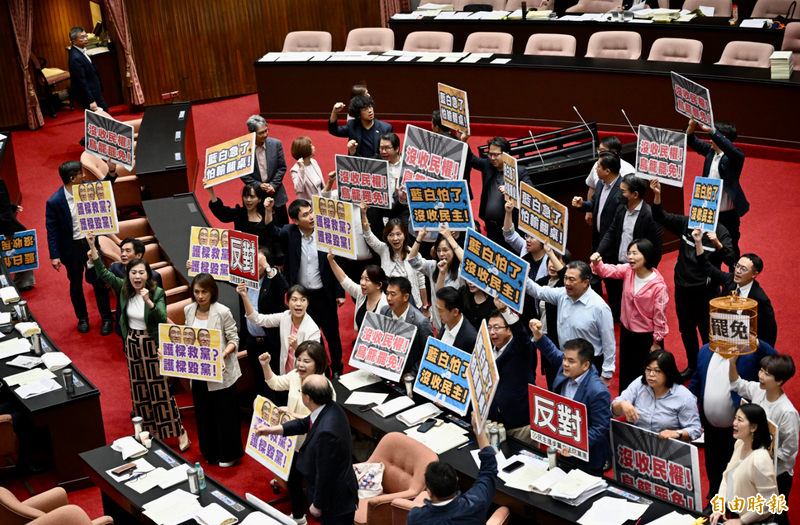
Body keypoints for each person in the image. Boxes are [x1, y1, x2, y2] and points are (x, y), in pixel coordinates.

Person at [87, 231, 189, 449]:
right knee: (139, 389)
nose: (136, 277)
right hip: (132, 343)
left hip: (152, 344)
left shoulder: (157, 292)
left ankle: (179, 431)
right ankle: (146, 432)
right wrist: (93, 249)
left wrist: (149, 302)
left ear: (147, 275)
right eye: (133, 273)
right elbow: (104, 274)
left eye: (141, 273)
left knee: (160, 389)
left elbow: (162, 318)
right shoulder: (123, 288)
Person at [651, 179, 735, 381]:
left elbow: (731, 260)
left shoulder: (721, 232)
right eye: (696, 206)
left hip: (704, 293)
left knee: (707, 334)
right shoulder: (686, 223)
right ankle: (693, 366)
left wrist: (716, 242)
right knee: (686, 331)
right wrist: (657, 195)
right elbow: (660, 216)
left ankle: (710, 370)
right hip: (682, 290)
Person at [256, 375, 359, 525]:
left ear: (308, 398)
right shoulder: (330, 407)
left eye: (301, 392)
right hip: (338, 491)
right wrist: (270, 430)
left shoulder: (326, 433)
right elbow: (304, 423)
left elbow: (326, 474)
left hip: (335, 500)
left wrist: (318, 504)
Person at [689, 339, 777, 507]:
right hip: (710, 427)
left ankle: (737, 508)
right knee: (713, 467)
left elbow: (774, 360)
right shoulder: (705, 350)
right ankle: (716, 501)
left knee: (739, 472)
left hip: (739, 431)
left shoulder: (748, 352)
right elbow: (696, 381)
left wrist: (757, 343)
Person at [265, 197, 346, 376]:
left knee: (332, 334)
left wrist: (340, 292)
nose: (311, 217)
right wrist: (268, 211)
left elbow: (337, 262)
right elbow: (272, 232)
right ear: (295, 220)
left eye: (311, 212)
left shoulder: (326, 232)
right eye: (305, 215)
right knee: (311, 336)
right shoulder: (290, 231)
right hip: (303, 298)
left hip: (324, 294)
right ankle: (321, 369)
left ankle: (338, 369)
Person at [257, 341, 335, 524]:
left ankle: (309, 513)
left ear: (318, 363)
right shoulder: (294, 376)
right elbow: (275, 383)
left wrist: (293, 414)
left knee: (308, 479)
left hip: (312, 442)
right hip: (292, 439)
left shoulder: (324, 387)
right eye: (298, 359)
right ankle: (299, 516)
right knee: (293, 477)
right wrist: (265, 365)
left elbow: (322, 420)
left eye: (306, 361)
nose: (300, 364)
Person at [530, 320, 613, 473]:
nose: (565, 364)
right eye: (565, 359)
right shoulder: (567, 367)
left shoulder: (598, 391)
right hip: (564, 448)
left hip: (588, 458)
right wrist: (538, 335)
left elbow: (599, 428)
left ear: (586, 365)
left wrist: (574, 444)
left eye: (571, 361)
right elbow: (551, 352)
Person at [46, 160, 116, 335]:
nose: (84, 176)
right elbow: (52, 231)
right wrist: (54, 256)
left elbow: (105, 186)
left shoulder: (88, 189)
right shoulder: (54, 202)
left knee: (99, 282)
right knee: (76, 285)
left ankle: (107, 318)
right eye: (80, 174)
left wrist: (112, 171)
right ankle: (82, 318)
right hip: (71, 250)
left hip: (91, 245)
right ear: (72, 178)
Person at [590, 239, 668, 394]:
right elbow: (606, 270)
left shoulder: (658, 286)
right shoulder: (628, 271)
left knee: (646, 374)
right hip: (627, 331)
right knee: (627, 371)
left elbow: (660, 317)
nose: (630, 257)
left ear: (646, 256)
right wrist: (596, 263)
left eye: (635, 253)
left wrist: (656, 341)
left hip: (647, 337)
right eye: (629, 253)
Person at [524, 261, 616, 388]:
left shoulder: (599, 308)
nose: (567, 283)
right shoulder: (562, 295)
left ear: (585, 282)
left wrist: (606, 374)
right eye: (566, 278)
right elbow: (538, 291)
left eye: (572, 279)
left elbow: (609, 343)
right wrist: (520, 273)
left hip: (589, 364)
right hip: (564, 359)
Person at [730, 354, 798, 522]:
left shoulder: (787, 412)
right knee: (748, 509)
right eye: (761, 370)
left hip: (776, 475)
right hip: (751, 465)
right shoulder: (758, 391)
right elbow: (738, 384)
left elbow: (789, 451)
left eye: (767, 374)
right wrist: (732, 362)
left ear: (779, 381)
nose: (760, 376)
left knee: (776, 516)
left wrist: (763, 456)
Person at [184, 274, 242, 467]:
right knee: (204, 413)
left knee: (224, 413)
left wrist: (223, 354)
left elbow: (234, 339)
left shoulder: (223, 311)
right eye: (197, 292)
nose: (200, 296)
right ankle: (211, 451)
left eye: (204, 291)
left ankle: (229, 454)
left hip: (221, 371)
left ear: (212, 292)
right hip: (199, 371)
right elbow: (187, 339)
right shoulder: (188, 310)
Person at [407, 413, 497, 525]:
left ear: (429, 492)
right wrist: (480, 431)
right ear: (457, 480)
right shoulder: (476, 503)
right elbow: (489, 470)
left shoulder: (416, 517)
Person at [572, 151, 628, 321]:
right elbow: (594, 203)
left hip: (611, 246)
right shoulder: (602, 184)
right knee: (596, 277)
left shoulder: (621, 192)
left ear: (608, 171)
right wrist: (583, 205)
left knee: (613, 283)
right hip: (597, 240)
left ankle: (617, 314)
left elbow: (618, 226)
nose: (595, 168)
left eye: (598, 166)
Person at [687, 117, 748, 263]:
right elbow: (691, 140)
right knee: (710, 250)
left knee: (731, 248)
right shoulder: (710, 152)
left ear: (722, 138)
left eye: (712, 137)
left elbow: (733, 151)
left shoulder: (735, 157)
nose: (709, 140)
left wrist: (712, 131)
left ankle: (734, 279)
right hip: (708, 213)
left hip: (728, 215)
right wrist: (691, 126)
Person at [695, 240, 777, 347]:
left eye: (743, 269)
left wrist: (762, 354)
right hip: (725, 337)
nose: (737, 271)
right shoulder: (729, 280)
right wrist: (698, 242)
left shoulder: (760, 299)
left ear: (754, 274)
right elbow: (708, 268)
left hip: (746, 343)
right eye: (737, 266)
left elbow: (770, 331)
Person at [710, 404, 779, 525]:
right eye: (735, 418)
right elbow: (727, 476)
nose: (734, 423)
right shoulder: (739, 444)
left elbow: (768, 501)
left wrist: (742, 521)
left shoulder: (759, 460)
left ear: (753, 427)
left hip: (756, 520)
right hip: (738, 510)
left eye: (740, 420)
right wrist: (720, 506)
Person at [459, 132, 531, 248]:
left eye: (496, 155)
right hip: (490, 227)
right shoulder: (488, 165)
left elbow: (529, 193)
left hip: (510, 228)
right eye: (490, 154)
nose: (492, 158)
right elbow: (472, 160)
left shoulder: (519, 171)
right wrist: (464, 142)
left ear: (507, 154)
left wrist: (511, 190)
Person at [612, 349, 702, 440]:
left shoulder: (684, 397)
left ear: (668, 373)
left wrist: (676, 433)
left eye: (657, 371)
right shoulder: (639, 384)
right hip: (639, 446)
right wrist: (622, 404)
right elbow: (614, 411)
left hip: (669, 449)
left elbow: (695, 430)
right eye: (648, 369)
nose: (651, 374)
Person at [239, 282, 321, 382]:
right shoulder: (285, 316)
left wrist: (297, 347)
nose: (298, 304)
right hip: (284, 376)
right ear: (287, 302)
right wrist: (244, 297)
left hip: (303, 379)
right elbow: (258, 319)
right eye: (294, 300)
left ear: (307, 303)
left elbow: (314, 358)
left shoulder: (313, 329)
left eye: (303, 300)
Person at [240, 245, 288, 401]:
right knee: (259, 384)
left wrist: (267, 267)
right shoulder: (245, 280)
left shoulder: (272, 280)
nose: (254, 265)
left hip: (272, 341)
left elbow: (284, 288)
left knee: (277, 383)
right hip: (253, 341)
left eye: (258, 262)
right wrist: (200, 267)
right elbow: (224, 276)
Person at [486, 298, 537, 440]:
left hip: (520, 423)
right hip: (496, 421)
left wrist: (505, 311)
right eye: (489, 327)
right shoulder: (487, 348)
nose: (492, 332)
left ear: (509, 330)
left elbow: (522, 335)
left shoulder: (521, 348)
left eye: (497, 327)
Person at [204, 179, 285, 267]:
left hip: (264, 261)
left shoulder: (269, 215)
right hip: (243, 260)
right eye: (246, 196)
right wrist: (210, 190)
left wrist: (279, 262)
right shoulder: (239, 213)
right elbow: (222, 213)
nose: (248, 200)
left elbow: (276, 240)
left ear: (259, 199)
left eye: (252, 197)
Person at [361, 204, 426, 309]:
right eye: (391, 235)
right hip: (388, 302)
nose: (395, 238)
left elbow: (421, 282)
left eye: (398, 234)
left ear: (404, 235)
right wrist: (364, 215)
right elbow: (368, 236)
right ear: (386, 236)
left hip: (411, 301)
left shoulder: (412, 253)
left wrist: (426, 306)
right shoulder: (383, 249)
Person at [596, 174, 663, 269]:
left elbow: (656, 250)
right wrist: (598, 253)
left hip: (638, 269)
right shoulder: (621, 208)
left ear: (635, 194)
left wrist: (644, 272)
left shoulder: (650, 217)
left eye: (622, 191)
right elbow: (611, 233)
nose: (618, 194)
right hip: (619, 265)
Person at [408, 225, 464, 332]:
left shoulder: (460, 269)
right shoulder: (433, 266)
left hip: (456, 324)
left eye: (445, 250)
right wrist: (419, 238)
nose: (442, 254)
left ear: (453, 250)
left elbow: (469, 264)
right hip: (439, 325)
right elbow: (413, 260)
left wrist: (451, 239)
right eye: (438, 250)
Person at [380, 276, 434, 377]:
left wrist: (413, 373)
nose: (388, 298)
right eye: (387, 293)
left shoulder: (421, 322)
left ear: (406, 297)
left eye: (393, 294)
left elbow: (430, 353)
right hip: (387, 371)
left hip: (407, 375)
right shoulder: (384, 311)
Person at [109, 238, 163, 339]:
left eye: (127, 251)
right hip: (126, 323)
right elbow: (94, 279)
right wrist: (91, 261)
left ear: (139, 255)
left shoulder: (154, 276)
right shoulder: (115, 268)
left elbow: (159, 305)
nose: (123, 254)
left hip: (147, 327)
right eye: (122, 251)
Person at [241, 115, 289, 226]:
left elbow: (282, 167)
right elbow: (243, 173)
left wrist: (273, 185)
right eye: (261, 133)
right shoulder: (244, 149)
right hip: (257, 195)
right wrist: (258, 185)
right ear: (252, 134)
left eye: (266, 130)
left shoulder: (276, 144)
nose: (265, 135)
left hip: (276, 192)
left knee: (283, 225)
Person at [582, 136, 636, 227]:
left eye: (603, 150)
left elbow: (633, 200)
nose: (599, 153)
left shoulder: (629, 171)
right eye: (599, 149)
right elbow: (592, 187)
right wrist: (589, 211)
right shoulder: (597, 165)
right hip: (600, 222)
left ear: (614, 153)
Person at [328, 251, 387, 332]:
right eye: (362, 278)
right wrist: (331, 261)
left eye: (367, 280)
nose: (362, 283)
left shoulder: (386, 305)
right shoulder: (361, 293)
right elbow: (344, 279)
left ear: (379, 285)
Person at [328, 95, 393, 159]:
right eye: (365, 109)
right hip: (356, 165)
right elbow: (334, 131)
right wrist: (334, 112)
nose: (370, 111)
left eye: (370, 107)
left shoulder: (386, 128)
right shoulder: (352, 125)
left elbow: (391, 152)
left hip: (378, 165)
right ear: (358, 115)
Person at [0, 176, 34, 290]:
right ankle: (20, 283)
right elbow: (3, 208)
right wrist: (9, 231)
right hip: (4, 226)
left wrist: (12, 206)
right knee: (24, 245)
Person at [68, 27, 107, 112]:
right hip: (91, 96)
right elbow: (81, 82)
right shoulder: (76, 58)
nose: (86, 39)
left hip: (95, 92)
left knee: (104, 120)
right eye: (82, 37)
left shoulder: (81, 51)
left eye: (86, 36)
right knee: (105, 120)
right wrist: (91, 101)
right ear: (74, 41)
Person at [290, 136, 336, 202]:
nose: (314, 147)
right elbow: (299, 189)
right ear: (305, 150)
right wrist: (301, 169)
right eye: (311, 146)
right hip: (309, 208)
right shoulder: (295, 170)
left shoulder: (313, 162)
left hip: (321, 203)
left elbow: (321, 187)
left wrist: (330, 181)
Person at [435, 286, 478, 354]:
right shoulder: (445, 321)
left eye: (441, 310)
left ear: (455, 312)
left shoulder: (471, 338)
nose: (438, 314)